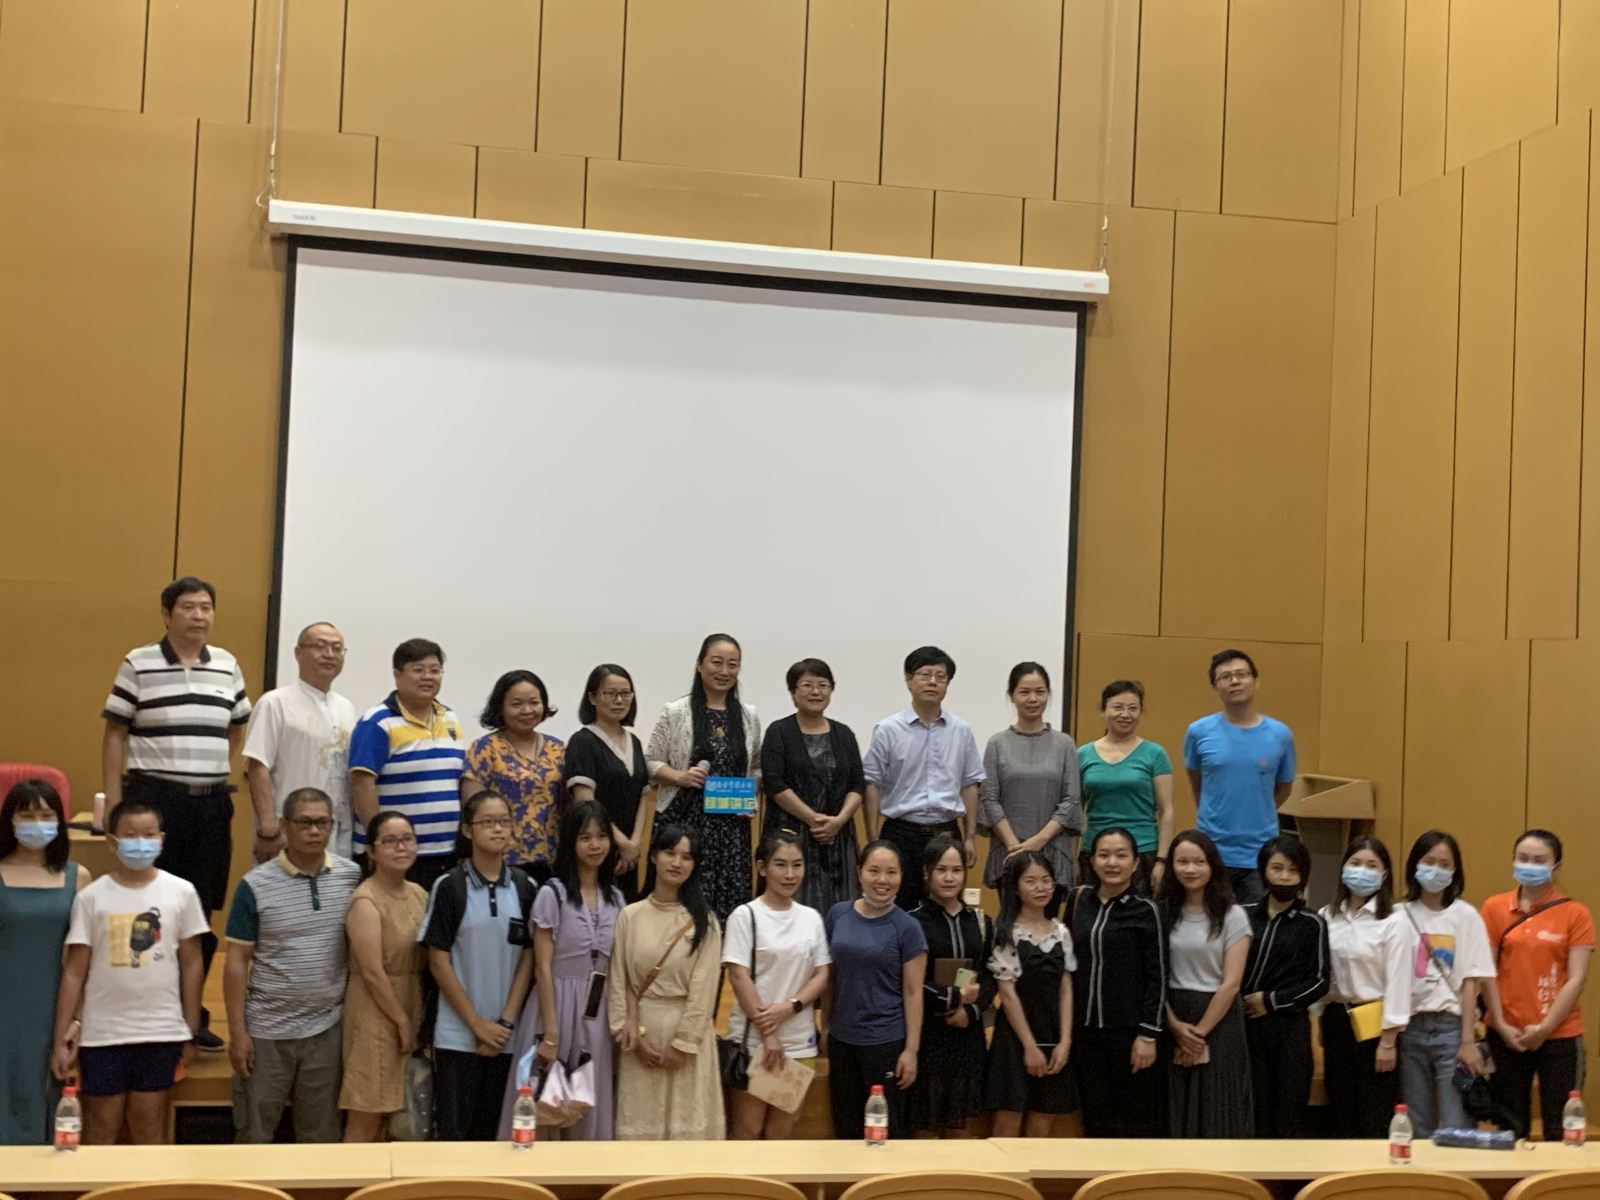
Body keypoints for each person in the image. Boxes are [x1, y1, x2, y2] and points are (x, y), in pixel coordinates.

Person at [101, 575, 250, 1051]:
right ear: (167, 614)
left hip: (210, 805)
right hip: (156, 802)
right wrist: (115, 804)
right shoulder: (138, 663)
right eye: (188, 607)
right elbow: (115, 734)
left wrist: (204, 772)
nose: (198, 615)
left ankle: (191, 1014)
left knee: (199, 909)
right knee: (149, 908)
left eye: (206, 607)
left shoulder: (227, 664)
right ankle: (147, 1011)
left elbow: (236, 728)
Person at [51, 800, 206, 1144]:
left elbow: (192, 963)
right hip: (102, 1035)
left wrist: (190, 1029)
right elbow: (75, 971)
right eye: (130, 835)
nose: (140, 843)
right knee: (101, 1127)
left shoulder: (182, 892)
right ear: (112, 841)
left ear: (161, 839)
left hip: (160, 1032)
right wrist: (62, 1036)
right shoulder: (91, 897)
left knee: (149, 1127)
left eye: (148, 835)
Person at [224, 788, 361, 1144]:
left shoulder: (351, 877)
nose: (315, 831)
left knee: (321, 1139)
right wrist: (238, 1034)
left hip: (326, 1030)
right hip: (266, 1032)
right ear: (284, 826)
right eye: (304, 822)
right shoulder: (254, 885)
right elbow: (236, 962)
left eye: (322, 823)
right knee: (254, 1136)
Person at [498, 800, 625, 1141]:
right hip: (552, 1008)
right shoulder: (551, 894)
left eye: (601, 836)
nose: (595, 845)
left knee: (586, 1102)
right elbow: (541, 966)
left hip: (596, 1011)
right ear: (570, 842)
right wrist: (551, 1033)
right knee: (543, 1102)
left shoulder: (616, 898)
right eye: (585, 837)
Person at [420, 791, 536, 1140]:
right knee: (455, 1138)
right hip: (457, 1036)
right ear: (467, 830)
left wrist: (505, 1023)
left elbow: (529, 957)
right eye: (488, 822)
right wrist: (476, 1025)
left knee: (499, 1138)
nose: (498, 829)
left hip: (507, 1037)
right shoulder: (449, 886)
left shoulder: (525, 886)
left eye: (504, 821)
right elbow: (437, 960)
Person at [609, 824, 725, 1140]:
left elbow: (704, 991)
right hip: (640, 1034)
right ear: (654, 857)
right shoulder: (630, 915)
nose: (677, 863)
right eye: (670, 853)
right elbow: (619, 979)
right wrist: (629, 1033)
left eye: (686, 857)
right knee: (639, 1134)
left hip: (688, 1039)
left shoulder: (705, 922)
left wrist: (683, 1043)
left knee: (687, 1137)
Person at [1480, 828, 1594, 1140]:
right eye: (1523, 858)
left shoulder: (1576, 914)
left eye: (1539, 860)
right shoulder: (1494, 908)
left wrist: (1544, 1030)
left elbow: (1576, 978)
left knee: (1562, 1127)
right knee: (1510, 1126)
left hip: (1560, 1035)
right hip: (1506, 1034)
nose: (1530, 865)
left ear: (1556, 866)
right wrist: (1500, 1023)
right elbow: (1486, 971)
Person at [646, 634, 762, 924]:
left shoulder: (748, 716)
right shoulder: (676, 712)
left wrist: (750, 798)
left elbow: (756, 768)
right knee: (683, 903)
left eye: (732, 665)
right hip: (686, 820)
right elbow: (650, 762)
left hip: (731, 829)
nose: (724, 671)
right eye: (716, 662)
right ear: (700, 665)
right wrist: (680, 777)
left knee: (730, 909)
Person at [724, 831, 832, 1140]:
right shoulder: (745, 915)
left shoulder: (811, 918)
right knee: (748, 1130)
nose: (789, 874)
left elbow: (822, 974)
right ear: (762, 868)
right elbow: (738, 976)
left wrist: (791, 1007)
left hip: (797, 1042)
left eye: (797, 865)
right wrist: (769, 1034)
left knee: (780, 1133)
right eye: (780, 865)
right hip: (755, 1042)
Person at [0, 779, 90, 1144]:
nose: (37, 823)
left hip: (53, 1008)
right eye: (26, 815)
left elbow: (82, 961)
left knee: (45, 1098)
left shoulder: (78, 877)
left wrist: (76, 1019)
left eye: (46, 815)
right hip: (5, 1008)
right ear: (9, 820)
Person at [862, 646, 985, 909]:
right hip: (900, 832)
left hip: (946, 832)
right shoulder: (888, 729)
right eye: (925, 674)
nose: (932, 682)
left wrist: (969, 838)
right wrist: (873, 840)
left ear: (948, 684)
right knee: (897, 906)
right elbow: (872, 783)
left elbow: (970, 785)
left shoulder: (961, 730)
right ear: (909, 680)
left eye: (940, 677)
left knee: (946, 906)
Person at [822, 840, 928, 1139]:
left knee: (884, 1135)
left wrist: (911, 1050)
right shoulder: (838, 914)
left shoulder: (908, 927)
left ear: (901, 876)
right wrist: (826, 1025)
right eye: (874, 871)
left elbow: (913, 993)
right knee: (845, 1131)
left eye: (891, 872)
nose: (882, 880)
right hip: (842, 1041)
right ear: (859, 873)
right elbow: (830, 978)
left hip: (886, 1043)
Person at [1065, 827, 1165, 1138]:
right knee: (1095, 1120)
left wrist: (1148, 1034)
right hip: (1084, 1032)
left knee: (1136, 1122)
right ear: (1092, 861)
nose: (1112, 862)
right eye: (1104, 855)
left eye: (1121, 855)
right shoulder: (1078, 899)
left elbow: (1158, 975)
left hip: (1129, 1033)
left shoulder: (1146, 910)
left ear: (1135, 863)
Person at [1397, 830, 1495, 1137]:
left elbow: (1470, 982)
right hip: (1409, 1028)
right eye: (1429, 862)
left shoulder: (1466, 916)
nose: (1436, 870)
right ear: (1414, 864)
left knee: (1457, 1124)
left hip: (1451, 1028)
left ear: (1455, 871)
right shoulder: (1398, 915)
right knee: (1415, 1123)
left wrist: (1467, 1040)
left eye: (1444, 864)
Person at [349, 638, 467, 891]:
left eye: (435, 670)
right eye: (418, 670)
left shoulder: (450, 717)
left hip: (445, 852)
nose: (428, 677)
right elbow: (361, 784)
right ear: (397, 675)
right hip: (396, 855)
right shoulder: (377, 722)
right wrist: (378, 843)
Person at [1155, 830, 1253, 1137]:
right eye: (1182, 862)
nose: (1191, 869)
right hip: (1172, 1016)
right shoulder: (1161, 912)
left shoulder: (1233, 915)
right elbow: (1154, 976)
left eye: (1199, 862)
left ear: (1212, 866)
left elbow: (1232, 983)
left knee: (1217, 1107)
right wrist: (1174, 1025)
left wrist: (1197, 1035)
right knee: (1174, 1107)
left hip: (1218, 1020)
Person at [339, 811, 427, 1142]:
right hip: (375, 1009)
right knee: (368, 1112)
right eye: (389, 841)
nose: (400, 847)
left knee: (407, 1116)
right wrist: (401, 1021)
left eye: (407, 839)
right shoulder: (366, 899)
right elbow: (373, 973)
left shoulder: (419, 893)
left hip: (413, 997)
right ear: (372, 851)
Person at [1182, 649, 1296, 905]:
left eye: (1241, 675)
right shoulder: (1198, 732)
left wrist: (1258, 812)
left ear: (1256, 681)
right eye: (1225, 677)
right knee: (1212, 920)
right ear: (1215, 687)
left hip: (1261, 852)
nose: (1234, 681)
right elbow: (1197, 784)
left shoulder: (1280, 734)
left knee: (1257, 922)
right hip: (1212, 851)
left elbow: (1284, 787)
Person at [1319, 835, 1413, 1138]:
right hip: (1336, 1018)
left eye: (1372, 865)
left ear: (1384, 874)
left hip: (1376, 1022)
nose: (1362, 870)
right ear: (1344, 868)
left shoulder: (1395, 920)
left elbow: (1399, 982)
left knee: (1374, 1110)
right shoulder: (1326, 915)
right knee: (1340, 1108)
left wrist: (1388, 1041)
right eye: (1355, 863)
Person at [243, 621, 359, 861]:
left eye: (337, 648)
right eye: (320, 646)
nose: (329, 654)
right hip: (288, 831)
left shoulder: (346, 707)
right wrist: (268, 826)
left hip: (338, 829)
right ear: (298, 653)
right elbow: (258, 766)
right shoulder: (275, 703)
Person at [759, 658, 865, 915]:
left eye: (823, 685)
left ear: (831, 689)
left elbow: (857, 783)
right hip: (791, 836)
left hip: (838, 838)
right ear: (793, 691)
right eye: (807, 685)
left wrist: (838, 821)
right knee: (791, 908)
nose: (816, 691)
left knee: (842, 909)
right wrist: (814, 819)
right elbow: (774, 783)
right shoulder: (779, 731)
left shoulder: (844, 734)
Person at [1240, 834, 1329, 1138]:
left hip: (1289, 1028)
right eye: (1277, 868)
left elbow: (1319, 981)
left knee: (1288, 1113)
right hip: (1247, 1027)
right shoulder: (1243, 915)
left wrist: (1271, 1001)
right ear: (1264, 870)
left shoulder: (1311, 922)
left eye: (1293, 870)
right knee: (1254, 1110)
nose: (1285, 876)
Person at [905, 836, 994, 1137]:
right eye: (941, 870)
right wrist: (951, 998)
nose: (949, 877)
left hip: (967, 1035)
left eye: (956, 870)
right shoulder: (912, 922)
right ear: (927, 872)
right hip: (927, 1034)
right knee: (924, 1130)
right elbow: (910, 983)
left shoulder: (980, 921)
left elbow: (990, 976)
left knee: (961, 1130)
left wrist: (971, 1011)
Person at [979, 662, 1082, 911]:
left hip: (1052, 851)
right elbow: (989, 798)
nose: (1033, 699)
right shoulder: (997, 744)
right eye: (1024, 692)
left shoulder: (1064, 744)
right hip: (1009, 851)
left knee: (1048, 925)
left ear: (1048, 694)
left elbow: (1071, 799)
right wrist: (1015, 846)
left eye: (1040, 691)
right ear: (1011, 695)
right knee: (1011, 924)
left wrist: (1039, 840)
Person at [986, 850, 1075, 1137]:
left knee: (1044, 1119)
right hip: (1015, 1036)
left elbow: (1065, 989)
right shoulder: (1006, 932)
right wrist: (1029, 1046)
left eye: (1046, 880)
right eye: (1031, 881)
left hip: (1053, 1032)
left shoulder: (1061, 932)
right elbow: (1007, 994)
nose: (1040, 888)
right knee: (1008, 1120)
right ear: (1015, 888)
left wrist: (1065, 1041)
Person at [464, 669, 566, 880]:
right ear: (500, 707)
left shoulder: (557, 749)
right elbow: (472, 809)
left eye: (534, 702)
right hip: (501, 864)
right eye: (516, 704)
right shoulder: (485, 749)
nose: (527, 710)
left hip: (552, 862)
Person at [564, 664, 650, 901]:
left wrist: (634, 843)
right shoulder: (582, 742)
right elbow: (585, 801)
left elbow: (643, 796)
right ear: (592, 697)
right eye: (610, 693)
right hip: (596, 849)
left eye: (625, 693)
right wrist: (619, 843)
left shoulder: (634, 741)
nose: (619, 700)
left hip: (630, 854)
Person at [1077, 679, 1174, 891]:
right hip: (1095, 852)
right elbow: (1075, 812)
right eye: (1117, 707)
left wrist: (1162, 860)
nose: (1125, 714)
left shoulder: (1155, 754)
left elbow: (1166, 811)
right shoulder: (1082, 754)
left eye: (1133, 708)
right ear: (1103, 710)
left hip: (1143, 852)